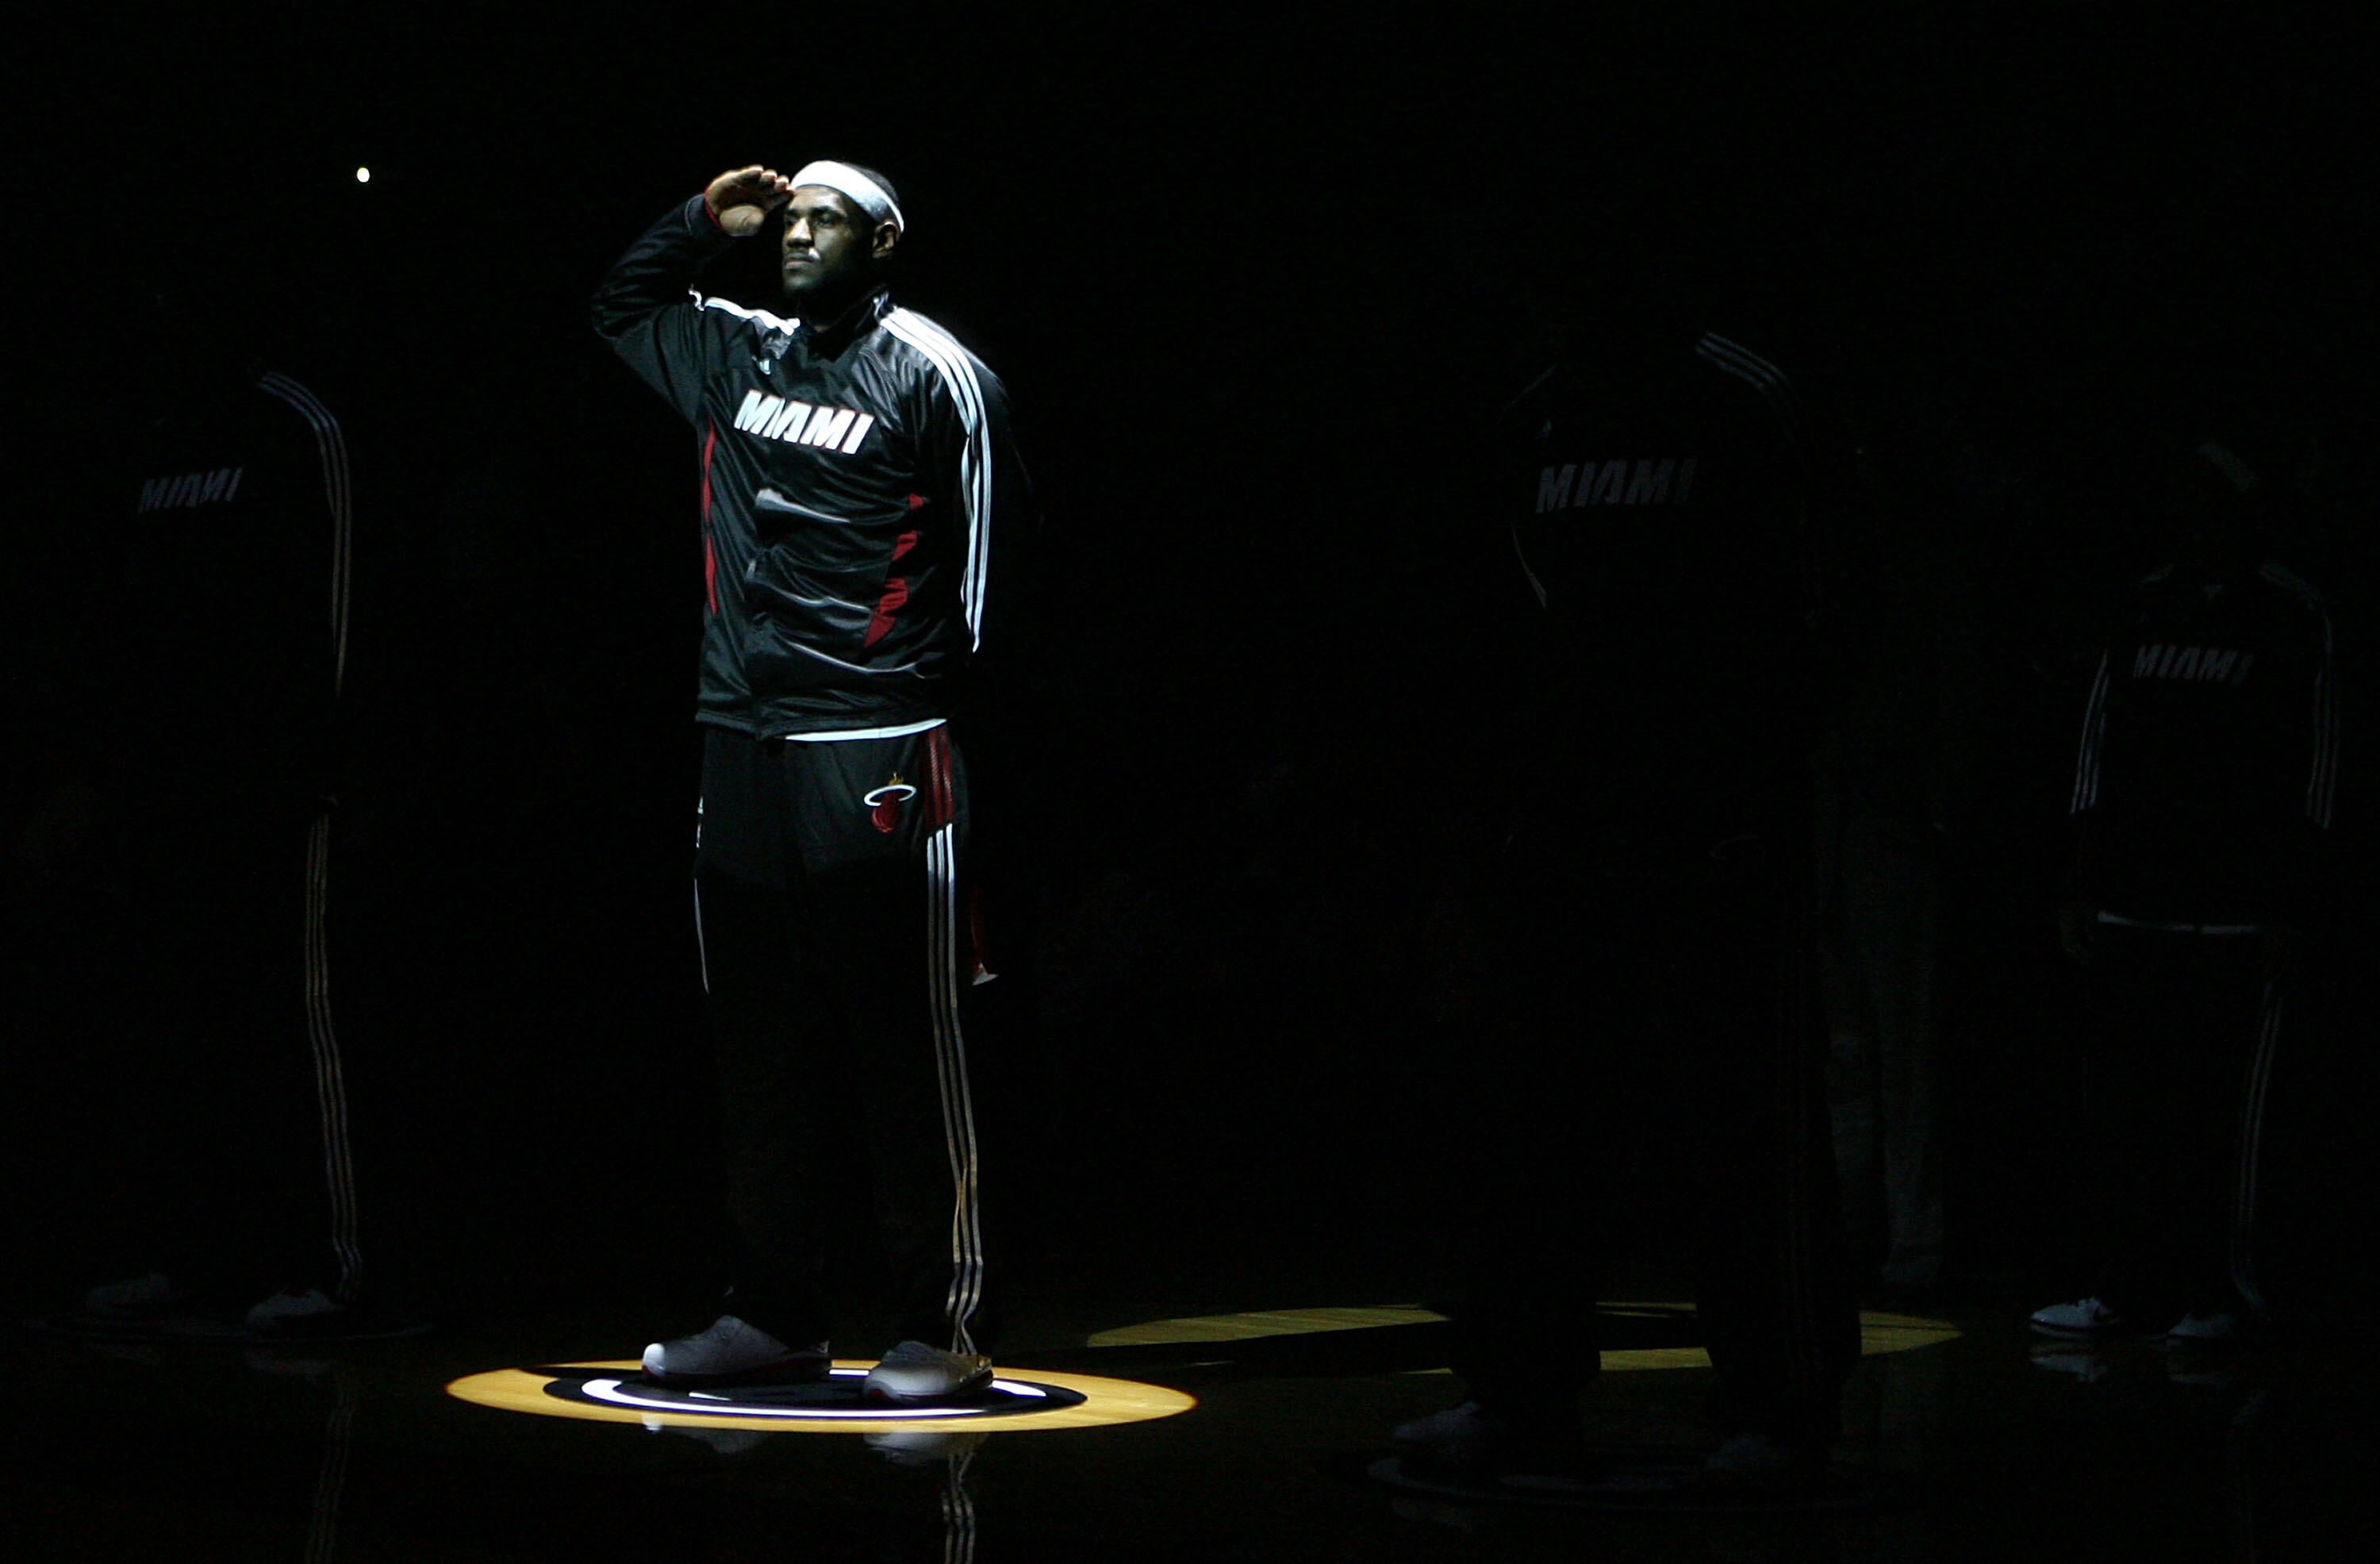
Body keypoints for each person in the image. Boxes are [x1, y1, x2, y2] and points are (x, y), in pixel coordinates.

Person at [1396, 258, 1860, 1488]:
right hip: (1557, 838)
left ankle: (1786, 1405)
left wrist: (1750, 804)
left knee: (1746, 1127)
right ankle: (1519, 1395)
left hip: (1718, 837)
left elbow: (1814, 613)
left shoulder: (1745, 401)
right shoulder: (1533, 417)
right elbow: (1491, 631)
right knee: (1535, 1121)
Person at [593, 161, 1034, 1401]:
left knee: (905, 1044)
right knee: (758, 1044)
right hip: (739, 739)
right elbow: (619, 310)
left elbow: (994, 584)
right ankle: (773, 1310)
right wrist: (697, 219)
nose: (795, 234)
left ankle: (940, 1322)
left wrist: (938, 730)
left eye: (823, 218)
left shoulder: (939, 375)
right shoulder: (736, 353)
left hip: (881, 746)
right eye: (786, 218)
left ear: (885, 240)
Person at [2033, 438, 2336, 1350]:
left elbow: (2321, 768)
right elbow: (2095, 751)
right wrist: (2082, 883)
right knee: (2129, 1110)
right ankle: (2127, 1287)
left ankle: (2224, 1294)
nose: (2191, 512)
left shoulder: (2292, 614)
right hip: (2138, 907)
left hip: (2238, 914)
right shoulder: (2143, 608)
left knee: (2223, 1117)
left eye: (2211, 495)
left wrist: (2292, 899)